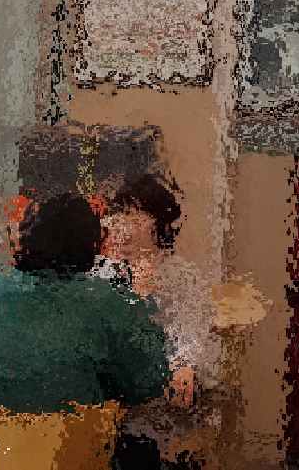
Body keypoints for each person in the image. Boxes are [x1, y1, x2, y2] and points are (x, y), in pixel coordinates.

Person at [0, 189, 170, 416]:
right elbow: (150, 384)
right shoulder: (106, 302)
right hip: (74, 435)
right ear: (91, 244)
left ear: (27, 240)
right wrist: (141, 300)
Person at [99, 172, 219, 464]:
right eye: (117, 219)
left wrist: (184, 365)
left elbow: (192, 335)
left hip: (158, 392)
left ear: (159, 225)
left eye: (134, 220)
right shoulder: (101, 274)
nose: (122, 230)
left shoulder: (183, 278)